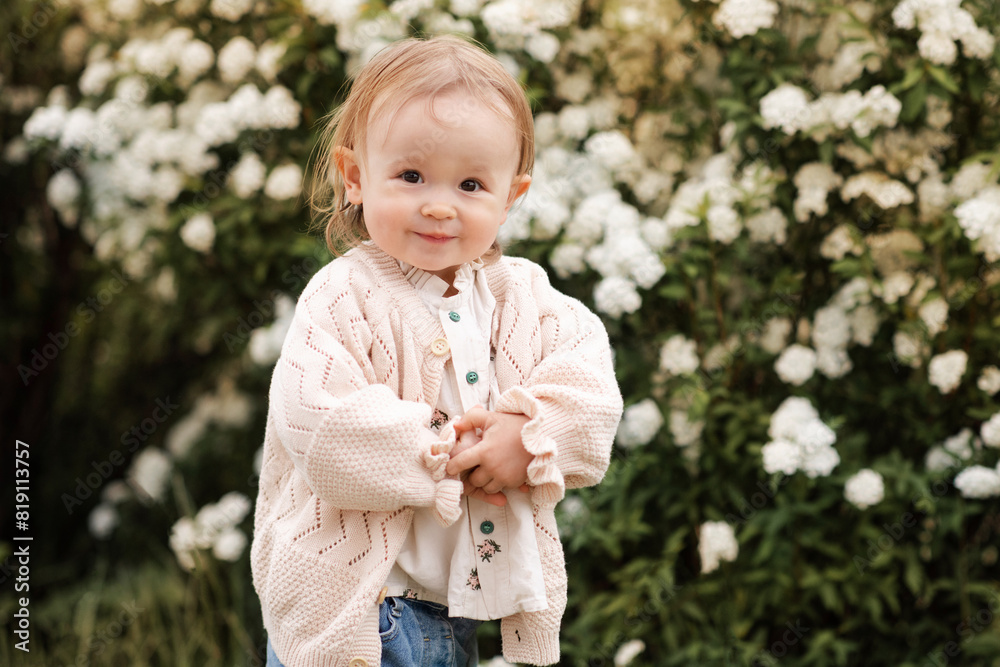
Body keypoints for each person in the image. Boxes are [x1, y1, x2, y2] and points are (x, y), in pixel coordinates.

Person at [251, 35, 622, 667]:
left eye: (471, 184)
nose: (439, 204)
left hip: (458, 614)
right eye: (412, 175)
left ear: (511, 197)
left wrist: (526, 435)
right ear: (354, 178)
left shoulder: (521, 296)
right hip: (362, 613)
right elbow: (320, 423)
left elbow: (590, 389)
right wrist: (451, 448)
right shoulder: (343, 296)